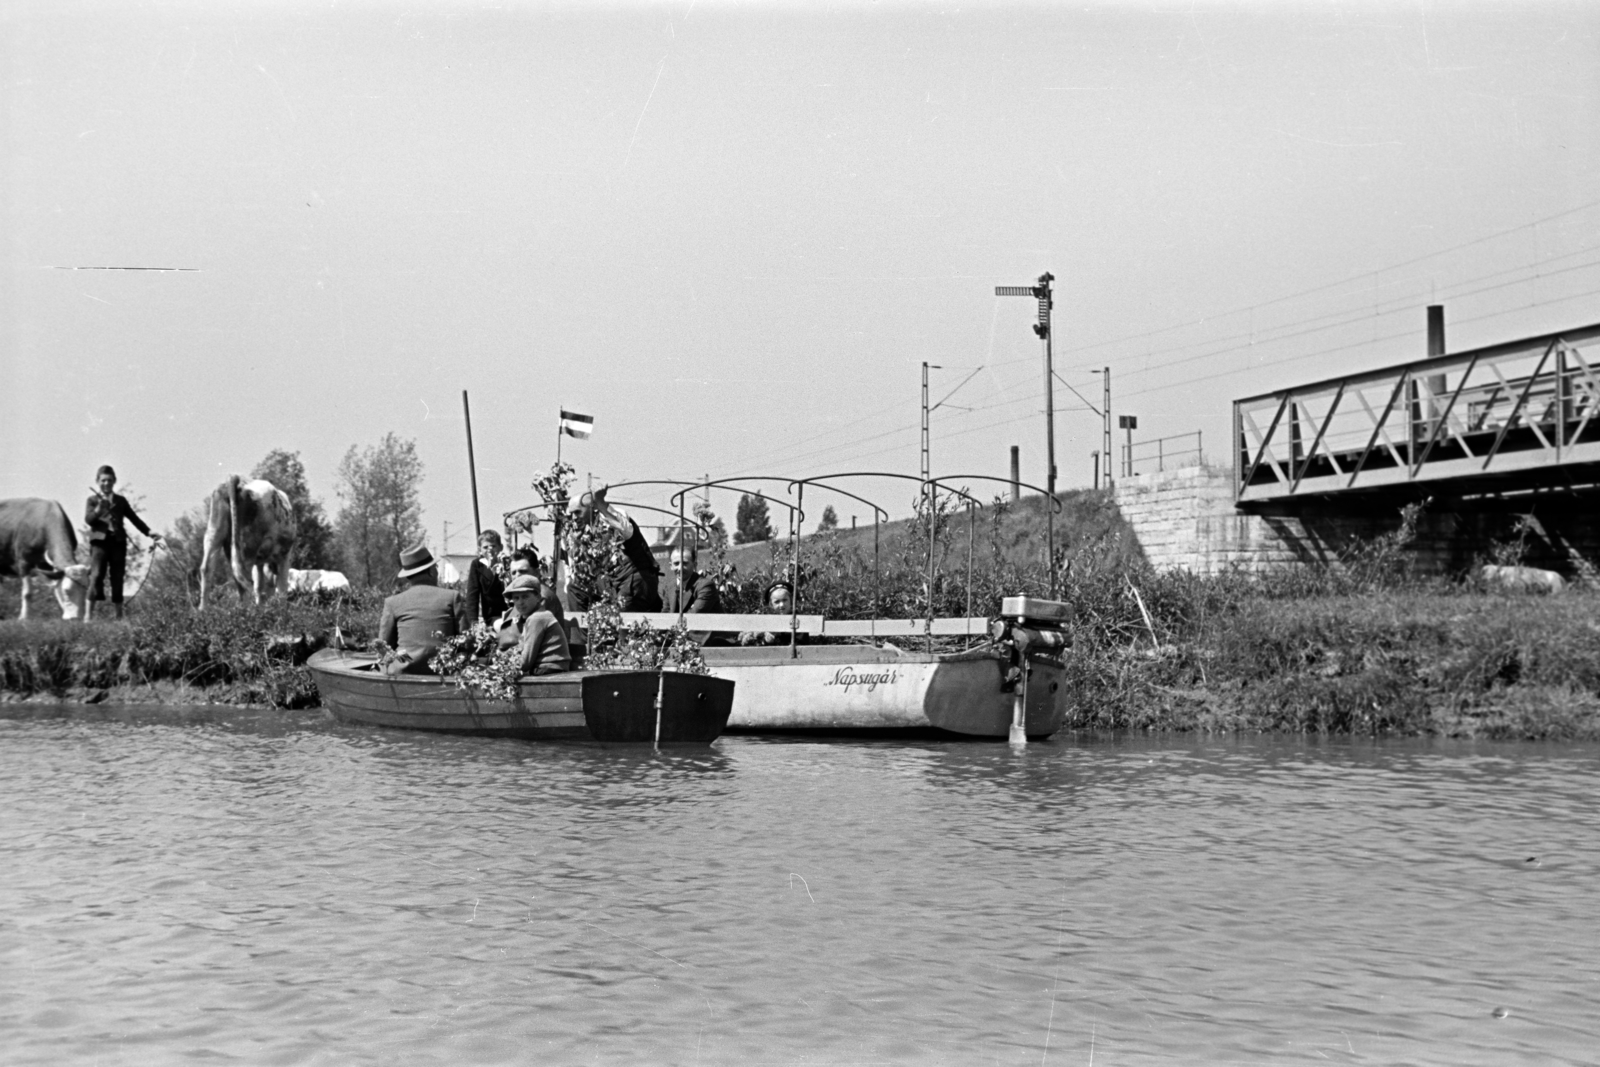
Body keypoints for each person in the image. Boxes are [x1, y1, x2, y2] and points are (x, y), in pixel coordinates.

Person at [83, 464, 161, 620]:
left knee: (117, 578)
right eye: (103, 480)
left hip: (118, 543)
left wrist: (148, 532)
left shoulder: (120, 501)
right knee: (97, 575)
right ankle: (87, 617)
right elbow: (89, 520)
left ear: (115, 481)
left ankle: (119, 616)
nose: (106, 483)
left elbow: (134, 518)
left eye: (110, 480)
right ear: (97, 481)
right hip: (99, 543)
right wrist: (99, 509)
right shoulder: (92, 500)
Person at [378, 545, 468, 674]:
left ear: (408, 576)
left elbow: (383, 646)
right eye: (436, 568)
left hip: (404, 671)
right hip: (444, 671)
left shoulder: (392, 602)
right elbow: (465, 641)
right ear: (431, 571)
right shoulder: (452, 597)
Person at [571, 486, 662, 612]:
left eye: (577, 512)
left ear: (591, 508)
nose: (574, 518)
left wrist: (600, 503)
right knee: (576, 587)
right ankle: (582, 629)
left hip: (636, 579)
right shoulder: (586, 533)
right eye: (571, 514)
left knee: (620, 621)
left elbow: (625, 529)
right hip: (613, 582)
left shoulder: (609, 517)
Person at [498, 574, 571, 675]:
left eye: (525, 597)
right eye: (516, 598)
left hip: (549, 670)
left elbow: (525, 663)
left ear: (538, 597)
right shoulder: (533, 617)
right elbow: (522, 647)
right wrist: (503, 655)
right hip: (549, 669)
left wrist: (499, 663)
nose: (520, 602)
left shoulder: (537, 618)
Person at [663, 543, 725, 645]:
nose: (680, 568)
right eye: (676, 563)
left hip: (710, 641)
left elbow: (693, 616)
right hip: (682, 639)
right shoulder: (670, 587)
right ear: (670, 566)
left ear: (694, 565)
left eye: (685, 563)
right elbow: (664, 616)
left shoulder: (705, 586)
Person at [740, 580, 807, 646]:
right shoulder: (767, 620)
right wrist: (766, 639)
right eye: (777, 602)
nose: (781, 605)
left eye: (784, 600)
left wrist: (779, 636)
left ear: (791, 601)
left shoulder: (798, 619)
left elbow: (801, 644)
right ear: (771, 604)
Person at [463, 530, 507, 627]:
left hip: (509, 610)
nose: (489, 550)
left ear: (501, 547)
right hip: (492, 615)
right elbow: (472, 595)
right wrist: (473, 622)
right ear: (480, 550)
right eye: (485, 547)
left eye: (493, 546)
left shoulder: (507, 563)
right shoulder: (478, 565)